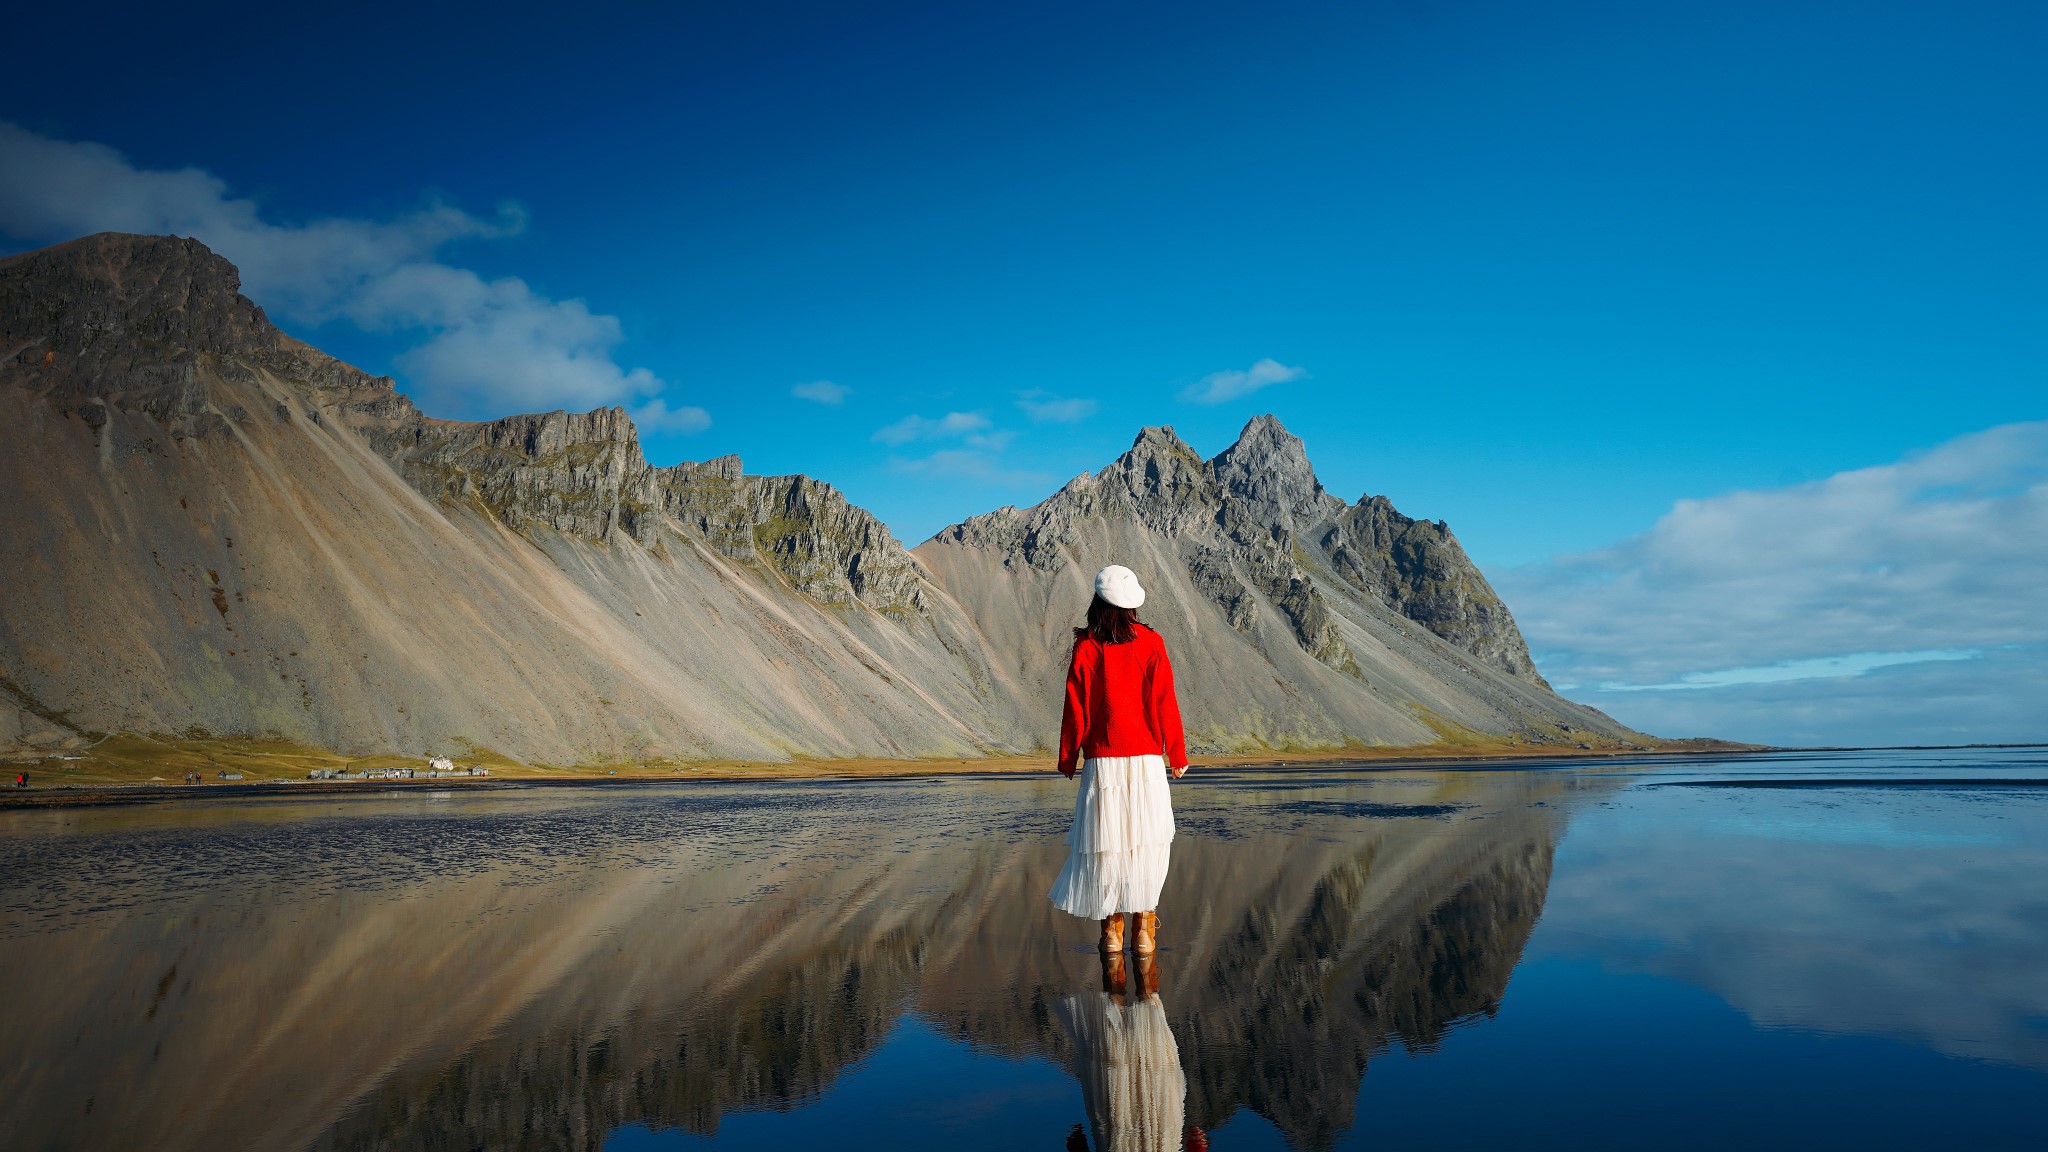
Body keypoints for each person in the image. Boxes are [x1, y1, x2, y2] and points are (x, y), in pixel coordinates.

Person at [1048, 564, 1190, 955]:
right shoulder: (1152, 642)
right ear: (1131, 606)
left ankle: (1111, 933)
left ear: (1097, 602)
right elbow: (1165, 700)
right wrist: (1175, 753)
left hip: (1102, 763)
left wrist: (1067, 757)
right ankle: (1144, 931)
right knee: (1146, 845)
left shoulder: (1086, 646)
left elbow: (1075, 706)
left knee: (1107, 847)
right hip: (1146, 761)